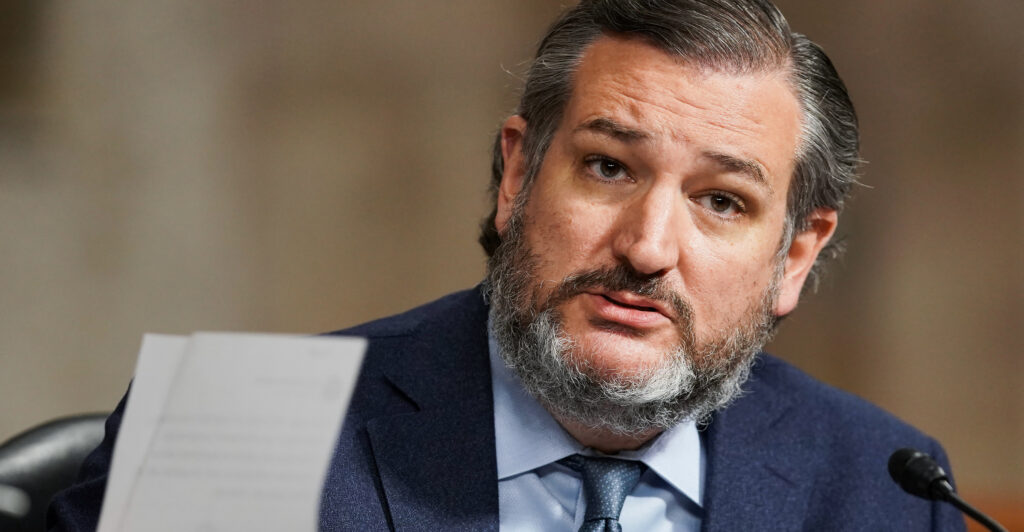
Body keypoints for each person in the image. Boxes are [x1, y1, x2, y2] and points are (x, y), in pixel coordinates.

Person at [51, 1, 966, 530]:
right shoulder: (232, 428)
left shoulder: (882, 486)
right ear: (519, 174)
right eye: (609, 168)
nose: (648, 249)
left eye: (721, 200)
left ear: (795, 255)